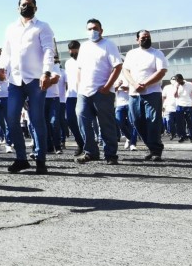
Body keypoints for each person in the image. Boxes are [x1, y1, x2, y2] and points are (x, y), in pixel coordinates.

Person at [0, 0, 54, 175]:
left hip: (36, 79)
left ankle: (40, 160)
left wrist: (46, 72)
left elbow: (48, 50)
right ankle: (21, 158)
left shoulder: (42, 27)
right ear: (17, 8)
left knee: (37, 119)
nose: (25, 7)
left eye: (29, 5)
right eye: (23, 5)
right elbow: (6, 51)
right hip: (15, 80)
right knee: (12, 119)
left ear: (35, 8)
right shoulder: (11, 28)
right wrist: (0, 67)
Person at [75, 18, 122, 165]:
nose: (92, 31)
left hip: (102, 91)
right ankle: (90, 152)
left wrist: (108, 87)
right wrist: (79, 87)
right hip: (84, 91)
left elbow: (117, 66)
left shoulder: (109, 45)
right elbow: (80, 68)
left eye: (95, 28)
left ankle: (110, 154)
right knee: (81, 118)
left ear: (101, 30)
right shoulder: (84, 46)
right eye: (89, 29)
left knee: (106, 123)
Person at [123, 29, 168, 161]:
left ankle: (156, 150)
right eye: (143, 37)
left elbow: (161, 71)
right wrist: (134, 84)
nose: (146, 39)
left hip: (152, 92)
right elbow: (126, 70)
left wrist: (145, 84)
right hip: (134, 93)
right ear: (137, 40)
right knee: (136, 121)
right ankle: (151, 147)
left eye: (148, 37)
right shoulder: (131, 54)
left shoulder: (157, 53)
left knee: (153, 121)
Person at [63, 40, 84, 156]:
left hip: (83, 94)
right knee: (71, 120)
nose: (73, 52)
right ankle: (80, 143)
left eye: (75, 50)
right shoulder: (68, 63)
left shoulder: (85, 60)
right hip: (70, 96)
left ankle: (89, 145)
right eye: (71, 50)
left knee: (84, 121)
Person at [173, 73, 192, 143]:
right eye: (176, 81)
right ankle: (183, 136)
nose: (177, 82)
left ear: (182, 79)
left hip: (188, 105)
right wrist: (177, 87)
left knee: (191, 123)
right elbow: (175, 95)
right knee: (180, 123)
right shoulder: (176, 85)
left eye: (178, 80)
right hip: (179, 106)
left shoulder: (189, 84)